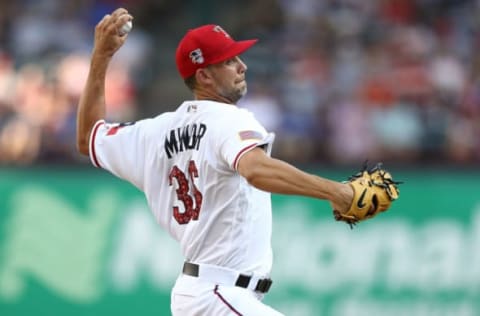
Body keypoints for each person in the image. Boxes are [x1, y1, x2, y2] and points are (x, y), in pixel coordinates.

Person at [76, 8, 353, 316]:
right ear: (204, 75)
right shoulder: (229, 120)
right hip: (218, 294)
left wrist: (101, 57)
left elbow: (89, 136)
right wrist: (336, 192)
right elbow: (256, 169)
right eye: (229, 60)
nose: (242, 66)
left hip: (208, 295)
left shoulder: (152, 133)